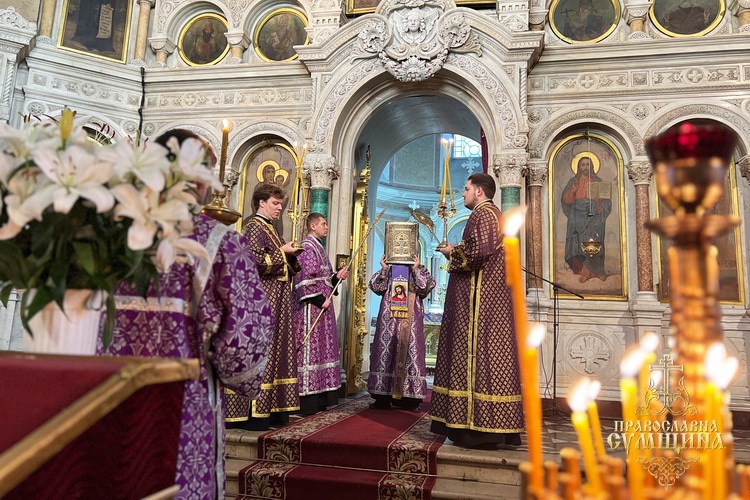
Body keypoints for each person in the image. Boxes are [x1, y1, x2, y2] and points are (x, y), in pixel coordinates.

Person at [98, 129, 274, 498]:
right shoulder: (220, 241)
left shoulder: (108, 235)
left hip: (106, 392)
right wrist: (240, 379)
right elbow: (246, 335)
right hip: (183, 400)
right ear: (200, 177)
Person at [430, 172, 524, 449]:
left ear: (479, 191)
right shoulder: (494, 215)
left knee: (476, 358)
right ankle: (489, 427)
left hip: (479, 304)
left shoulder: (483, 214)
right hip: (489, 300)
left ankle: (476, 430)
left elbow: (478, 253)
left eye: (466, 188)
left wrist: (452, 253)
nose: (463, 193)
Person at [231, 182, 302, 430]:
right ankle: (254, 412)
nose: (279, 208)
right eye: (275, 203)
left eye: (281, 204)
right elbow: (254, 261)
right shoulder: (254, 227)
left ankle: (272, 408)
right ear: (261, 202)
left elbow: (282, 262)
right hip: (262, 300)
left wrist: (289, 254)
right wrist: (283, 251)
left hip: (277, 300)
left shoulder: (270, 228)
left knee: (276, 350)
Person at [292, 213, 349, 415]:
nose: (326, 227)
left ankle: (321, 397)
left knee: (323, 351)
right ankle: (307, 399)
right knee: (311, 351)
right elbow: (304, 278)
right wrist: (319, 299)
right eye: (323, 223)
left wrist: (336, 277)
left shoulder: (319, 247)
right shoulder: (308, 247)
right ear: (313, 226)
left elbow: (324, 278)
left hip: (322, 308)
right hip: (310, 309)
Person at [368, 254, 435, 412]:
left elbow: (425, 289)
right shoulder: (390, 270)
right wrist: (384, 269)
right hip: (388, 320)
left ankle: (409, 399)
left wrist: (416, 270)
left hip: (411, 321)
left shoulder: (420, 270)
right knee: (385, 353)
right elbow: (376, 287)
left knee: (411, 354)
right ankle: (382, 397)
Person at [560, 155, 612, 283]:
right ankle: (584, 272)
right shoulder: (574, 182)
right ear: (578, 167)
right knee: (579, 243)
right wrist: (573, 191)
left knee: (595, 241)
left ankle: (598, 271)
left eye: (588, 164)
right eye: (583, 165)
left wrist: (599, 201)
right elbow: (566, 200)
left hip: (594, 216)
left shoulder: (597, 181)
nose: (585, 167)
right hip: (577, 217)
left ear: (592, 166)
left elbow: (607, 202)